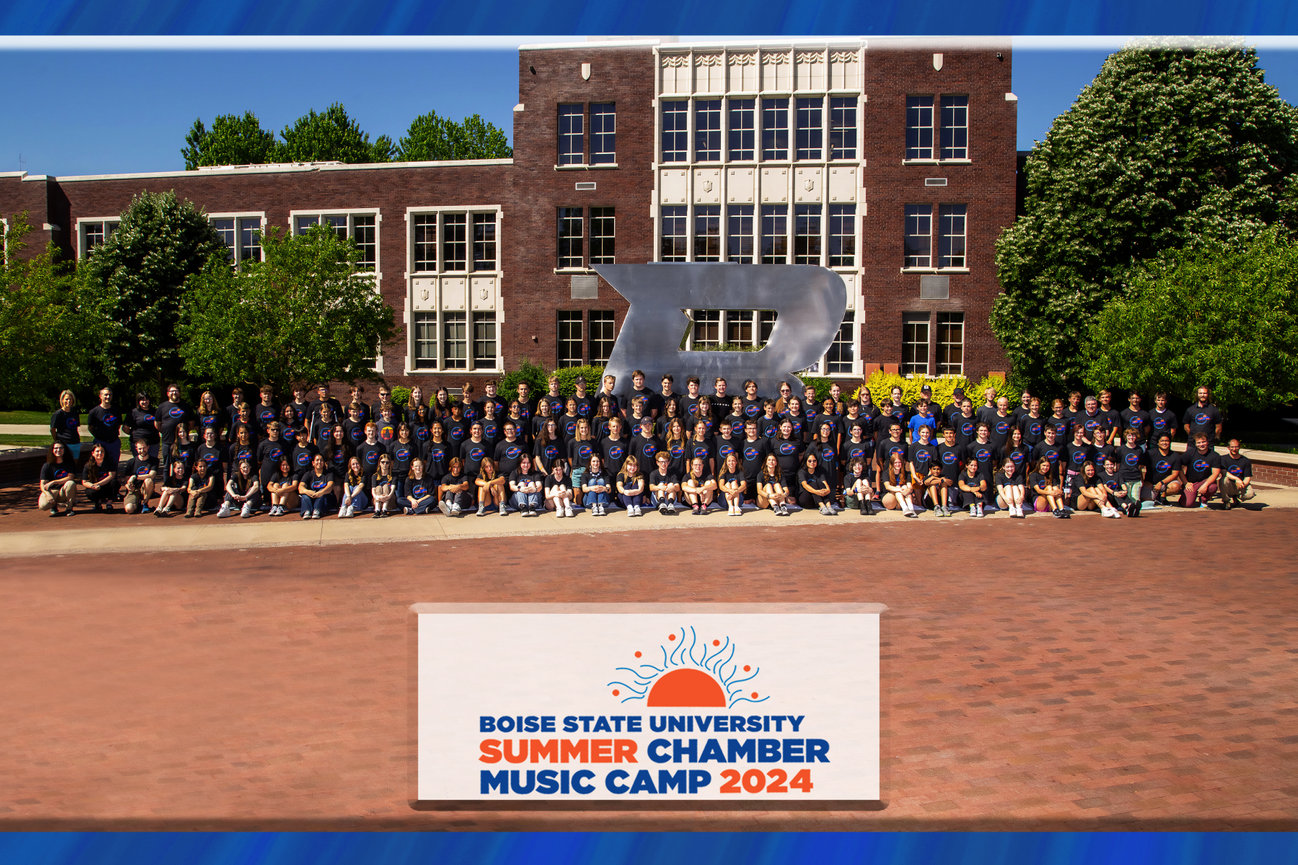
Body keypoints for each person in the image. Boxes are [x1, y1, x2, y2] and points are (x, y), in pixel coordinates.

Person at [1180, 434, 1222, 509]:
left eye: (1203, 442)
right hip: (1191, 483)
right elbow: (1178, 467)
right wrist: (1185, 483)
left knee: (1213, 487)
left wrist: (1205, 485)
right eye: (1199, 443)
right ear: (1195, 444)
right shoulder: (1190, 453)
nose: (1201, 444)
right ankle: (1185, 496)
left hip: (1206, 481)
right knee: (1188, 504)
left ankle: (1203, 500)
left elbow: (1215, 473)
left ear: (1207, 442)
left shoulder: (1214, 455)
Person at [38, 441, 78, 517]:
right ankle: (53, 505)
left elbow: (71, 477)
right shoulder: (47, 465)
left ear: (64, 450)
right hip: (53, 491)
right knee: (43, 506)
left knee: (71, 483)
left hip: (64, 491)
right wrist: (48, 494)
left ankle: (69, 508)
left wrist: (53, 482)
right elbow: (42, 484)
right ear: (52, 450)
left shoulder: (69, 463)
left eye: (61, 448)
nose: (58, 450)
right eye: (56, 448)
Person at [88, 386, 124, 471]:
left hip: (114, 442)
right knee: (99, 464)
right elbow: (90, 427)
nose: (108, 397)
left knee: (114, 465)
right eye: (105, 395)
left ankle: (113, 481)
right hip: (100, 442)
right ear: (100, 396)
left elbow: (118, 425)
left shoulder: (116, 411)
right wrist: (99, 435)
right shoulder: (94, 412)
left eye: (110, 395)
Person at [119, 439, 158, 515]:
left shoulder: (154, 460)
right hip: (134, 489)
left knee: (148, 480)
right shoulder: (131, 462)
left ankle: (145, 503)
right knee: (129, 509)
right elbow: (126, 480)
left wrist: (135, 477)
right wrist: (129, 486)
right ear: (136, 449)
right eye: (140, 448)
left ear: (148, 447)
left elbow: (152, 475)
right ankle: (137, 503)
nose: (142, 450)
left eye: (144, 448)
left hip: (145, 488)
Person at [79, 442, 119, 513]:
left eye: (102, 451)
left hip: (106, 486)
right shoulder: (88, 465)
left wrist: (98, 484)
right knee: (89, 492)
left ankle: (109, 503)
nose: (100, 453)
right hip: (96, 488)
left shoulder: (110, 462)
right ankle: (98, 502)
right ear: (93, 453)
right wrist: (92, 486)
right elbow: (84, 482)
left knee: (115, 483)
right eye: (97, 451)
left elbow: (111, 476)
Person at [1146, 432, 1182, 506]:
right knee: (1145, 499)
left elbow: (1175, 474)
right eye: (1162, 441)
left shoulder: (1175, 455)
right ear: (1158, 443)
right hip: (1151, 483)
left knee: (1176, 486)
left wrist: (1161, 483)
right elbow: (1140, 467)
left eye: (1167, 441)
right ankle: (1156, 496)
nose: (1164, 443)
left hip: (1166, 483)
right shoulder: (1150, 454)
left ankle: (1162, 495)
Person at [1220, 439, 1256, 509]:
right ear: (1228, 448)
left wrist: (1242, 484)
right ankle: (1226, 501)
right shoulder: (1223, 459)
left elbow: (1247, 477)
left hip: (1241, 483)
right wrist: (1237, 479)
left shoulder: (1245, 461)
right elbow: (1224, 472)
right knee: (1223, 480)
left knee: (1250, 494)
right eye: (1232, 447)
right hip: (1230, 483)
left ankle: (1237, 498)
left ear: (1239, 447)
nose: (1234, 449)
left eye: (1236, 447)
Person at [297, 453, 334, 520]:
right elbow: (300, 488)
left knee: (322, 495)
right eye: (317, 460)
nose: (319, 462)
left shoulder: (328, 474)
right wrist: (308, 491)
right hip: (312, 496)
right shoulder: (308, 474)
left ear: (324, 463)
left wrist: (320, 493)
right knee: (304, 496)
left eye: (321, 460)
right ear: (313, 463)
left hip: (322, 498)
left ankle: (317, 511)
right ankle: (307, 511)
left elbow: (330, 487)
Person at [797, 451, 835, 515]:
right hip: (806, 499)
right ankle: (822, 507)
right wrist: (817, 492)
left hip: (817, 500)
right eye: (809, 461)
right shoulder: (801, 472)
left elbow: (825, 483)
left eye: (814, 461)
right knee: (813, 483)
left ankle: (829, 506)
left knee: (820, 483)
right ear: (805, 461)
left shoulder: (820, 471)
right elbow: (805, 485)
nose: (812, 463)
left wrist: (827, 490)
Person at [883, 451, 918, 517]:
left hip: (900, 499)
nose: (898, 464)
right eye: (895, 462)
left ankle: (911, 509)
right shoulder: (886, 473)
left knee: (905, 487)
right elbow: (887, 487)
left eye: (899, 462)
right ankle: (905, 508)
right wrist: (900, 489)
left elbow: (910, 487)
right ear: (892, 463)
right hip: (890, 499)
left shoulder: (906, 473)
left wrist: (908, 490)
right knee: (899, 490)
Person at [50, 389, 82, 462]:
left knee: (74, 465)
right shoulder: (57, 414)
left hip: (75, 442)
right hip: (64, 443)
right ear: (62, 400)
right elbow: (53, 430)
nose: (69, 401)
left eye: (70, 399)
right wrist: (57, 440)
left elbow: (76, 427)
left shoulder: (75, 413)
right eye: (66, 399)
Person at [648, 450, 680, 514]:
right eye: (661, 462)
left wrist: (672, 488)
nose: (663, 464)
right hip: (657, 499)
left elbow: (678, 487)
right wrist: (661, 487)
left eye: (665, 462)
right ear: (657, 463)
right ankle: (662, 505)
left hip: (670, 497)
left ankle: (670, 505)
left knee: (671, 484)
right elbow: (651, 487)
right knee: (660, 485)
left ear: (668, 462)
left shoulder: (672, 473)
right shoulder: (654, 473)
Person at [718, 450, 747, 516]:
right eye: (729, 461)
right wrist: (730, 491)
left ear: (736, 462)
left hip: (738, 500)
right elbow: (721, 486)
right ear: (726, 462)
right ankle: (731, 507)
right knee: (727, 484)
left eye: (733, 461)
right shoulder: (723, 473)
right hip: (725, 500)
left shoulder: (740, 472)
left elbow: (744, 485)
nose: (731, 463)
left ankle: (736, 507)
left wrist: (735, 492)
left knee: (734, 483)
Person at [370, 453, 398, 517]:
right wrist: (378, 497)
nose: (385, 464)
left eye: (387, 462)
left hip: (389, 500)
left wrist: (387, 497)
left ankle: (384, 510)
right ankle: (377, 510)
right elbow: (373, 490)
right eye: (382, 462)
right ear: (379, 463)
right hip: (378, 500)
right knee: (379, 487)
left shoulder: (393, 476)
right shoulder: (375, 476)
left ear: (389, 464)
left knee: (385, 486)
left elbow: (392, 490)